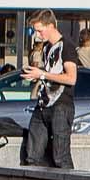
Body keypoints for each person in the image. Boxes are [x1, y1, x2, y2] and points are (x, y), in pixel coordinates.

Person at [20, 10, 76, 170]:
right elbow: (51, 74)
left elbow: (71, 78)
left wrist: (43, 74)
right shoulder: (46, 48)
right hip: (44, 104)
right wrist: (36, 76)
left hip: (61, 105)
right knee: (32, 155)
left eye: (40, 30)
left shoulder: (67, 46)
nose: (37, 35)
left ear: (51, 26)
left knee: (60, 156)